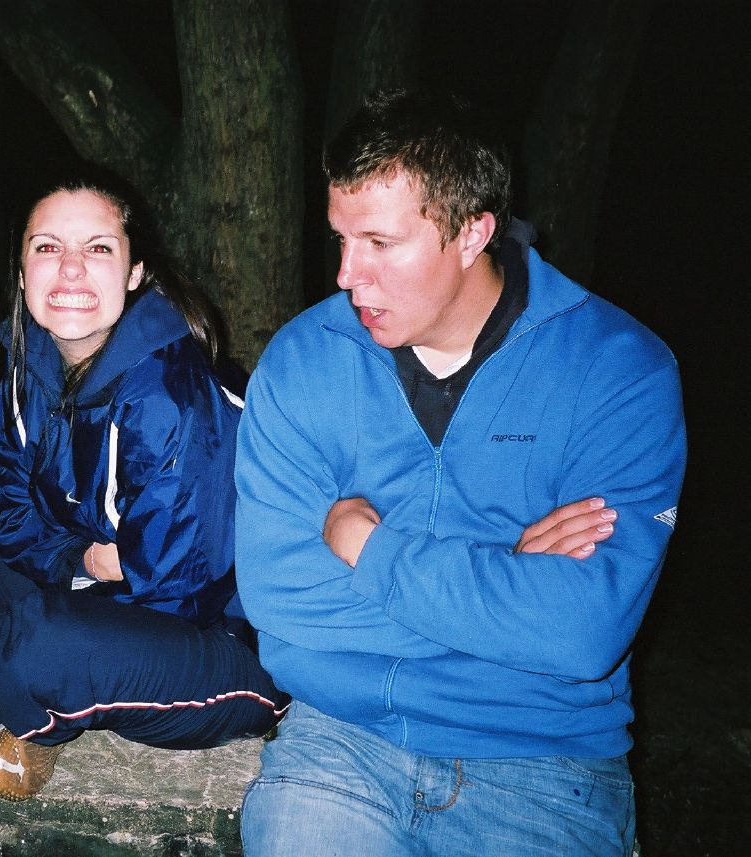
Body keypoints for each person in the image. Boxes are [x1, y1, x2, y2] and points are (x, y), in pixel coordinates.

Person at [234, 89, 685, 856]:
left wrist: (375, 553)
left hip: (545, 766)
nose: (348, 275)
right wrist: (506, 572)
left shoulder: (618, 371)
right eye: (341, 239)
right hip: (343, 745)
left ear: (473, 231)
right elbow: (281, 607)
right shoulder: (304, 362)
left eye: (380, 242)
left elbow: (582, 632)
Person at [0, 176, 289, 802]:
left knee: (35, 648)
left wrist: (62, 592)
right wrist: (79, 559)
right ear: (20, 271)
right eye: (46, 248)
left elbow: (181, 587)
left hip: (222, 637)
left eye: (97, 249)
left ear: (134, 272)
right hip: (93, 584)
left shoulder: (171, 398)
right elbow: (15, 506)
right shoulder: (30, 367)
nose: (70, 269)